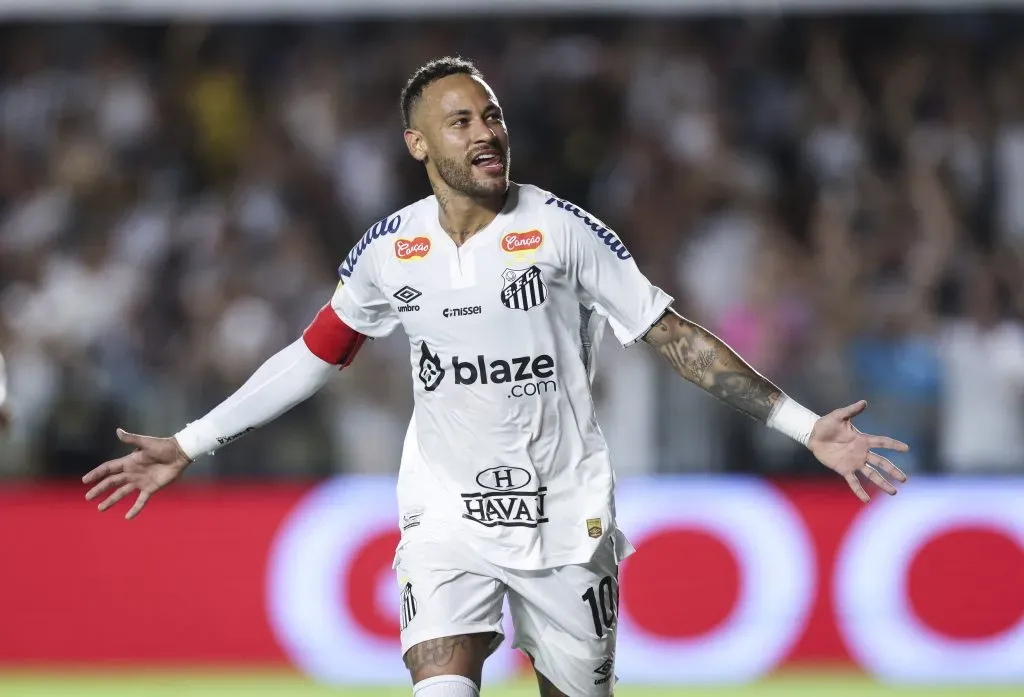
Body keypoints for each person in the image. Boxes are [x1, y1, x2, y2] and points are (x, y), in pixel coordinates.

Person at [83, 57, 908, 697]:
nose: (485, 131)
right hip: (447, 514)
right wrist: (192, 439)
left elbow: (673, 336)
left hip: (564, 518)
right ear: (418, 144)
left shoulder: (562, 230)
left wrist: (805, 426)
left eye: (493, 115)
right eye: (460, 120)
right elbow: (315, 350)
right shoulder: (387, 251)